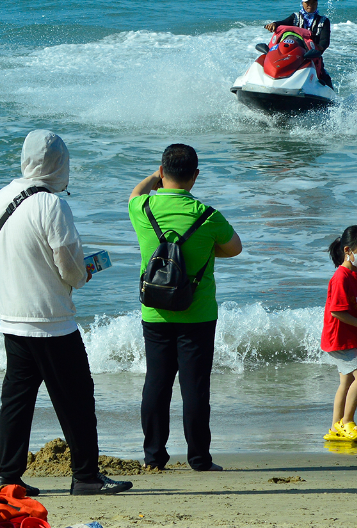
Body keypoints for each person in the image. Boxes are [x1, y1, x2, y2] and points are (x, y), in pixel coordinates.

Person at [0, 130, 131, 496]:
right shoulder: (53, 205)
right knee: (77, 399)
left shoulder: (2, 197)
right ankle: (85, 476)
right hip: (51, 320)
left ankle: (9, 478)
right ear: (59, 164)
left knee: (17, 402)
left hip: (12, 317)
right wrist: (87, 270)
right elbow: (71, 271)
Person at [129, 144, 242, 471]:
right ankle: (199, 459)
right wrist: (204, 250)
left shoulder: (143, 209)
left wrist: (154, 176)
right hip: (198, 312)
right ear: (195, 177)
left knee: (156, 382)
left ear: (162, 173)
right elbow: (234, 248)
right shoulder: (208, 215)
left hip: (155, 311)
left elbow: (134, 194)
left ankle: (153, 457)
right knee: (194, 387)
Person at [320, 225, 357, 442]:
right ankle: (347, 422)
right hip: (338, 338)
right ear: (348, 250)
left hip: (350, 337)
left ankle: (335, 427)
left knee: (346, 382)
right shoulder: (341, 277)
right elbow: (336, 311)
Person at [264, 0, 332, 87]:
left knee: (325, 78)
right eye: (307, 2)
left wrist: (318, 48)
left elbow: (325, 42)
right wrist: (274, 24)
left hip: (311, 56)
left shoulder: (324, 21)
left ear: (317, 3)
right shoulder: (295, 17)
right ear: (302, 3)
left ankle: (331, 98)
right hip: (293, 53)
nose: (310, 5)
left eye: (313, 2)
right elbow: (283, 23)